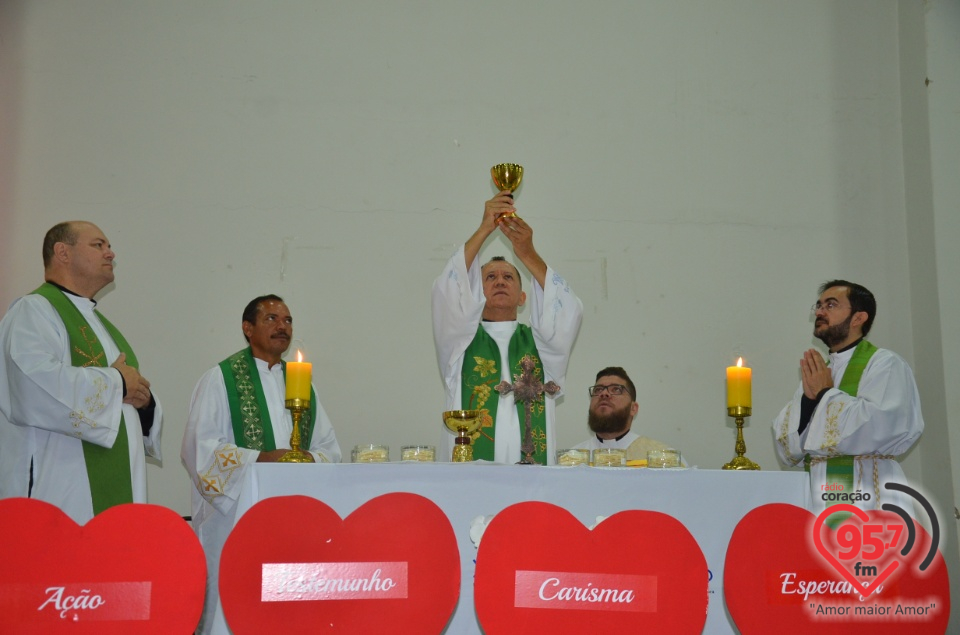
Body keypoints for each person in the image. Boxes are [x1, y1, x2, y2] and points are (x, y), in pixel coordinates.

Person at [181, 294, 340, 634]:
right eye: (271, 319)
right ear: (247, 328)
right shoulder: (221, 379)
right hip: (236, 521)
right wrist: (261, 459)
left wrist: (307, 459)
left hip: (293, 525)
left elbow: (329, 448)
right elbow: (200, 449)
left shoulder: (302, 386)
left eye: (287, 320)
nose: (282, 326)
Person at [0, 221, 162, 524]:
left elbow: (126, 395)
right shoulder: (33, 310)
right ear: (62, 252)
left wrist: (146, 403)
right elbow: (31, 385)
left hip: (113, 485)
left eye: (109, 246)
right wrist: (116, 382)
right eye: (98, 245)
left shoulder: (100, 324)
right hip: (61, 486)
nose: (111, 253)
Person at [432, 191, 582, 465]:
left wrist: (527, 253)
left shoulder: (542, 345)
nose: (500, 281)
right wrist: (483, 230)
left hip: (531, 478)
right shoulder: (458, 344)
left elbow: (567, 309)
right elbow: (446, 292)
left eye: (508, 277)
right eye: (490, 277)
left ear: (523, 297)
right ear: (476, 294)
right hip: (470, 478)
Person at [772, 280, 923, 515]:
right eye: (819, 306)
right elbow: (789, 449)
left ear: (858, 318)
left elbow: (876, 427)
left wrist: (824, 394)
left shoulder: (885, 364)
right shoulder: (821, 371)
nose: (820, 312)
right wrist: (809, 401)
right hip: (819, 494)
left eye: (831, 305)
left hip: (870, 495)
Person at [573, 367, 683, 463]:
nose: (604, 393)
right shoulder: (571, 461)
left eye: (616, 389)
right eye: (598, 389)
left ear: (633, 409)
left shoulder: (666, 459)